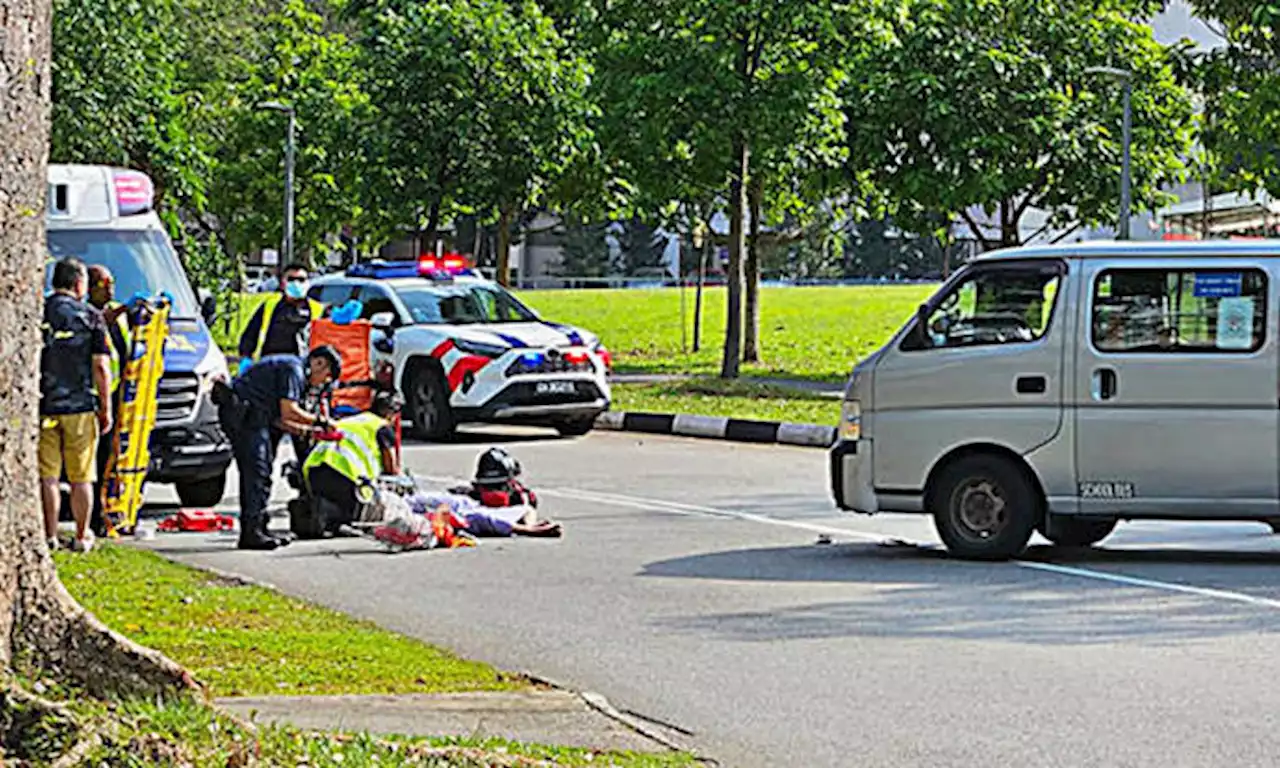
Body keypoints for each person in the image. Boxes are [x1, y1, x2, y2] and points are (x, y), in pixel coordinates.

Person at [213, 346, 342, 550]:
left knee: (262, 472)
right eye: (326, 376)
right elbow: (289, 411)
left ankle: (260, 527)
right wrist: (322, 422)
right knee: (257, 472)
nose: (323, 383)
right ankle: (251, 532)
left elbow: (281, 420)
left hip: (254, 415)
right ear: (318, 363)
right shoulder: (294, 370)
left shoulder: (291, 369)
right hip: (244, 415)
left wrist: (310, 432)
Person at [39, 258, 112, 553]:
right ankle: (82, 535)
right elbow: (102, 367)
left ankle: (49, 535)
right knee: (82, 476)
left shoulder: (39, 313)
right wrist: (105, 407)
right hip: (79, 406)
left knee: (48, 475)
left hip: (44, 405)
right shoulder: (91, 317)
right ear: (80, 284)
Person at [301, 391, 403, 532]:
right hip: (343, 474)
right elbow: (391, 469)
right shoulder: (381, 426)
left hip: (314, 470)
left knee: (332, 502)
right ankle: (324, 513)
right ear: (391, 414)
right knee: (357, 516)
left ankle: (312, 509)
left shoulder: (350, 420)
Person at [85, 265, 130, 536]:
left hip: (119, 394)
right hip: (96, 399)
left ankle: (112, 510)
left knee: (114, 458)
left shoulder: (115, 311)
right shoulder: (88, 314)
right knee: (95, 460)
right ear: (90, 287)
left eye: (112, 282)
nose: (110, 288)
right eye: (104, 284)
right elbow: (102, 319)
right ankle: (94, 518)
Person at [237, 262, 324, 365]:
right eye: (291, 279)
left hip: (302, 366)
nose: (296, 283)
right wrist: (246, 358)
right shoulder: (270, 305)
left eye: (301, 280)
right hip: (269, 364)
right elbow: (251, 333)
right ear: (283, 283)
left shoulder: (317, 309)